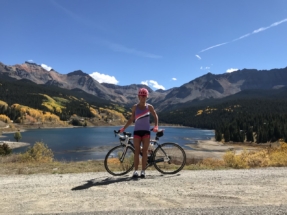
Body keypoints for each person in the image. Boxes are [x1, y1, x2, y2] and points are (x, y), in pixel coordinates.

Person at [119, 88, 158, 178]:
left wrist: (156, 126)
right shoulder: (135, 107)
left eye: (144, 96)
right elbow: (131, 119)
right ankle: (135, 171)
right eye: (141, 96)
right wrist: (123, 128)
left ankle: (143, 171)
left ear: (147, 97)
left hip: (146, 132)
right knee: (136, 152)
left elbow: (155, 115)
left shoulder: (149, 107)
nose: (143, 97)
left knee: (144, 152)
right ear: (138, 96)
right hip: (137, 132)